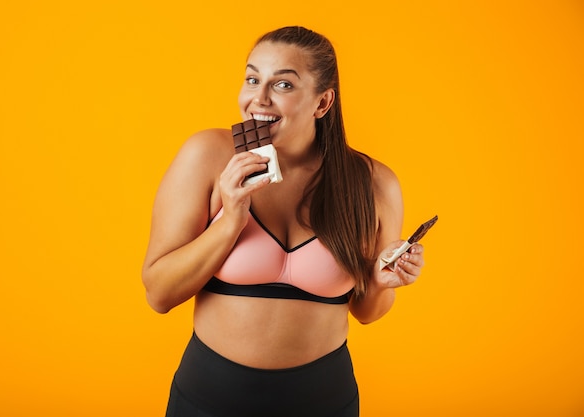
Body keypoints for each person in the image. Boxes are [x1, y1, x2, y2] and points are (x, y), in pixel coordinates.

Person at [142, 25, 426, 417]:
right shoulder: (207, 156)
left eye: (283, 86)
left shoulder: (374, 183)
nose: (258, 99)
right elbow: (159, 294)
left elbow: (366, 312)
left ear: (323, 103)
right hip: (209, 399)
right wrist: (229, 223)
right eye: (252, 78)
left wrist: (380, 281)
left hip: (325, 402)